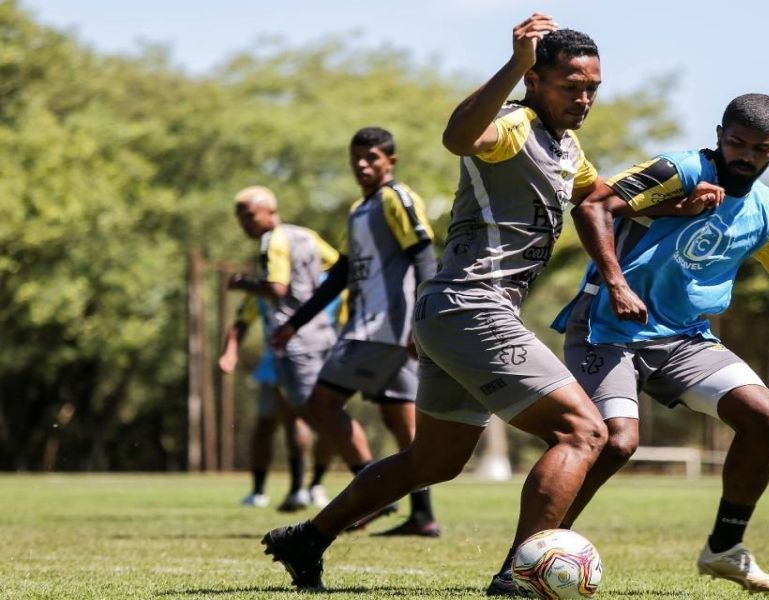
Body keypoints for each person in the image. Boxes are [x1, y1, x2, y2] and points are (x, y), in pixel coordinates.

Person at [261, 16, 612, 592]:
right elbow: (458, 137)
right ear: (536, 79)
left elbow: (597, 195)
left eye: (592, 87)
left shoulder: (566, 146)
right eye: (570, 85)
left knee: (434, 462)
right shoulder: (511, 126)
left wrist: (676, 197)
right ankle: (517, 577)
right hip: (471, 307)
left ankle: (307, 540)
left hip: (455, 314)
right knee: (584, 432)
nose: (584, 97)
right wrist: (513, 65)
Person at [523, 93, 769, 594]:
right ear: (718, 135)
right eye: (736, 143)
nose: (745, 156)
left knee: (765, 420)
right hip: (608, 325)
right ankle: (534, 550)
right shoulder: (680, 169)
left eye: (759, 148)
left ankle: (725, 550)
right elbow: (594, 205)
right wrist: (619, 281)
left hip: (685, 338)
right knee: (615, 441)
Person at [268, 127, 441, 537]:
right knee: (401, 424)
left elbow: (424, 257)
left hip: (381, 329)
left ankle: (375, 495)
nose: (362, 165)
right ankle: (422, 515)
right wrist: (295, 322)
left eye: (372, 158)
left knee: (320, 404)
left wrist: (422, 321)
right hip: (377, 328)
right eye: (356, 159)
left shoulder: (396, 198)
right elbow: (341, 275)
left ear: (390, 161)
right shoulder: (360, 209)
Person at [218, 186, 341, 511]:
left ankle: (345, 477)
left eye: (249, 214)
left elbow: (277, 288)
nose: (244, 221)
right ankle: (291, 489)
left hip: (297, 342)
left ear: (270, 211)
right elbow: (342, 268)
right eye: (239, 216)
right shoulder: (306, 237)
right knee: (280, 419)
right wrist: (230, 350)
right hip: (293, 345)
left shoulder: (274, 241)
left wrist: (240, 281)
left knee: (311, 416)